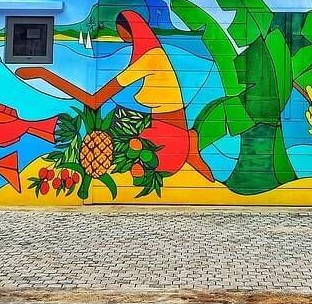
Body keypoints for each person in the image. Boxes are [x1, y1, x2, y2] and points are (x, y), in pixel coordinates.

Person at [16, 10, 214, 181]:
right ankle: (188, 143)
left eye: (123, 34)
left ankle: (186, 146)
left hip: (164, 146)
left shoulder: (149, 59)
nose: (122, 39)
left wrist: (44, 74)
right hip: (169, 133)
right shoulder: (155, 54)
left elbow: (94, 101)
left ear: (132, 30)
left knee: (117, 136)